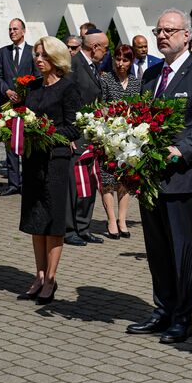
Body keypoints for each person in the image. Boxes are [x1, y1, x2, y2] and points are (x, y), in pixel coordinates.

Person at [126, 8, 192, 344]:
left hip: (181, 175)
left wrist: (182, 149)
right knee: (157, 249)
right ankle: (162, 309)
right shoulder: (151, 75)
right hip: (149, 176)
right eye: (158, 30)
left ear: (186, 36)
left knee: (182, 250)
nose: (162, 35)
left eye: (169, 30)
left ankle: (183, 318)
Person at [17, 36, 81, 305]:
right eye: (36, 55)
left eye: (43, 55)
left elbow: (74, 127)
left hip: (55, 160)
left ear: (56, 59)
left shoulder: (68, 88)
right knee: (36, 218)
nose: (38, 59)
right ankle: (39, 274)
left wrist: (47, 132)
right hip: (33, 160)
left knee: (53, 220)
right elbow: (21, 115)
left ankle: (51, 278)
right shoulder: (32, 87)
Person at [64, 28, 109, 246]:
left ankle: (83, 226)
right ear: (95, 47)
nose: (106, 52)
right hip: (76, 136)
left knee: (89, 183)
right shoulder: (74, 65)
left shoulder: (92, 66)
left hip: (90, 135)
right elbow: (67, 100)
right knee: (75, 184)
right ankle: (69, 228)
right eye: (106, 48)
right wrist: (69, 134)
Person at [99, 45, 141, 239]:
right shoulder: (106, 79)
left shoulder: (135, 82)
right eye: (118, 59)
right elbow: (99, 106)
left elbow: (140, 107)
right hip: (108, 136)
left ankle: (122, 220)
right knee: (107, 179)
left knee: (124, 179)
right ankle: (110, 219)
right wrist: (109, 114)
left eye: (125, 60)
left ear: (131, 62)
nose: (120, 63)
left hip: (128, 139)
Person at [0, 18, 39, 196]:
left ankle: (28, 182)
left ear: (23, 31)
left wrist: (24, 93)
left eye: (15, 29)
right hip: (7, 104)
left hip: (26, 104)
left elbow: (37, 77)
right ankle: (13, 183)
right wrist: (7, 91)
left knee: (27, 143)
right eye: (10, 29)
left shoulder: (33, 52)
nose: (12, 32)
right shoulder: (2, 52)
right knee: (10, 144)